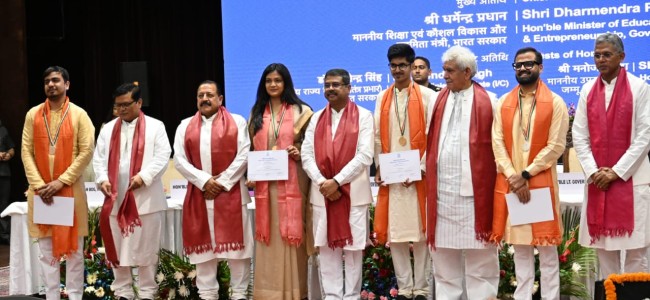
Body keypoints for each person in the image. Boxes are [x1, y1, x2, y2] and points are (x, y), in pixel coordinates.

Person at [492, 47, 568, 299]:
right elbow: (498, 143)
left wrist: (525, 174)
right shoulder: (503, 102)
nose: (523, 68)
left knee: (547, 253)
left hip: (540, 182)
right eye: (518, 65)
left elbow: (556, 146)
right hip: (513, 184)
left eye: (529, 64)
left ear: (540, 67)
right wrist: (513, 175)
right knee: (521, 251)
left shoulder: (555, 102)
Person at [573, 33, 650, 279]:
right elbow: (579, 136)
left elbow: (645, 135)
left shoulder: (640, 88)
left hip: (632, 180)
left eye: (606, 54)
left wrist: (616, 172)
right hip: (598, 182)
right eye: (597, 55)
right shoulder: (587, 90)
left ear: (621, 56)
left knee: (636, 251)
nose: (601, 60)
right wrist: (595, 172)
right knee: (605, 251)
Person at [425, 45, 499, 299]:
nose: (444, 75)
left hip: (474, 195)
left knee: (481, 261)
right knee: (444, 264)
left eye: (449, 71)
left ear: (467, 72)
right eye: (444, 70)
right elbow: (429, 141)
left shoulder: (490, 100)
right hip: (442, 193)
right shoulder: (436, 99)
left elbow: (497, 145)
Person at [173, 80, 253, 300]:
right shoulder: (184, 125)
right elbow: (179, 160)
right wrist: (205, 181)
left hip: (232, 196)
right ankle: (207, 295)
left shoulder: (237, 122)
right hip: (199, 197)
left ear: (220, 99)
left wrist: (221, 183)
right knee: (204, 254)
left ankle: (239, 295)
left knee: (238, 254)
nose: (205, 99)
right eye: (200, 95)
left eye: (209, 95)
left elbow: (244, 155)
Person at [21, 66, 95, 300]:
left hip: (70, 192)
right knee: (45, 252)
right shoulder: (33, 114)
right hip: (42, 193)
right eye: (46, 81)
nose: (51, 84)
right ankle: (51, 296)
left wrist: (61, 182)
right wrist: (40, 185)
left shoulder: (79, 114)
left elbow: (86, 151)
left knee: (74, 251)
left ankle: (74, 296)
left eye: (55, 80)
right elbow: (26, 150)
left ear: (67, 84)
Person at [93, 83, 171, 300]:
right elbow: (98, 159)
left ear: (139, 102)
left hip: (145, 200)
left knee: (147, 251)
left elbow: (163, 156)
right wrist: (102, 179)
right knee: (117, 248)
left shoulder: (156, 126)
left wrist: (143, 177)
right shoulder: (108, 129)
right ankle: (123, 291)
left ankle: (147, 292)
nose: (121, 109)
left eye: (126, 104)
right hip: (115, 200)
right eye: (118, 105)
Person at [301, 69, 374, 300]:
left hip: (354, 195)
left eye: (335, 85)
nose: (330, 89)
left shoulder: (364, 115)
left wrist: (337, 182)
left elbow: (365, 155)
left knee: (353, 252)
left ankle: (351, 296)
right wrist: (323, 182)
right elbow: (306, 154)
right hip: (322, 194)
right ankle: (331, 296)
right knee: (326, 250)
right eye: (327, 85)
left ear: (348, 88)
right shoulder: (315, 118)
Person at [374, 44, 435, 300]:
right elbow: (378, 136)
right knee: (397, 236)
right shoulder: (382, 97)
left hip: (418, 177)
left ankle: (421, 289)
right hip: (394, 178)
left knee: (421, 235)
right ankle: (405, 289)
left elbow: (432, 136)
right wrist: (379, 166)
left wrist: (420, 168)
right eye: (393, 65)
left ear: (412, 67)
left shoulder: (427, 96)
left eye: (402, 65)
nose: (397, 70)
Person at [248, 63, 313, 299]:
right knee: (270, 237)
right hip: (267, 187)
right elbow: (252, 149)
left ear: (286, 83)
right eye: (269, 81)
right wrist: (251, 175)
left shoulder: (301, 111)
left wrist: (299, 151)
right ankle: (269, 293)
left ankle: (296, 292)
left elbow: (312, 146)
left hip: (294, 182)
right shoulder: (256, 112)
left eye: (277, 80)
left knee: (291, 235)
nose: (273, 85)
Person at [0, 119, 16, 244]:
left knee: (3, 204)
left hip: (4, 173)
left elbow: (11, 149)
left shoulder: (3, 129)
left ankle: (4, 235)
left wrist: (9, 155)